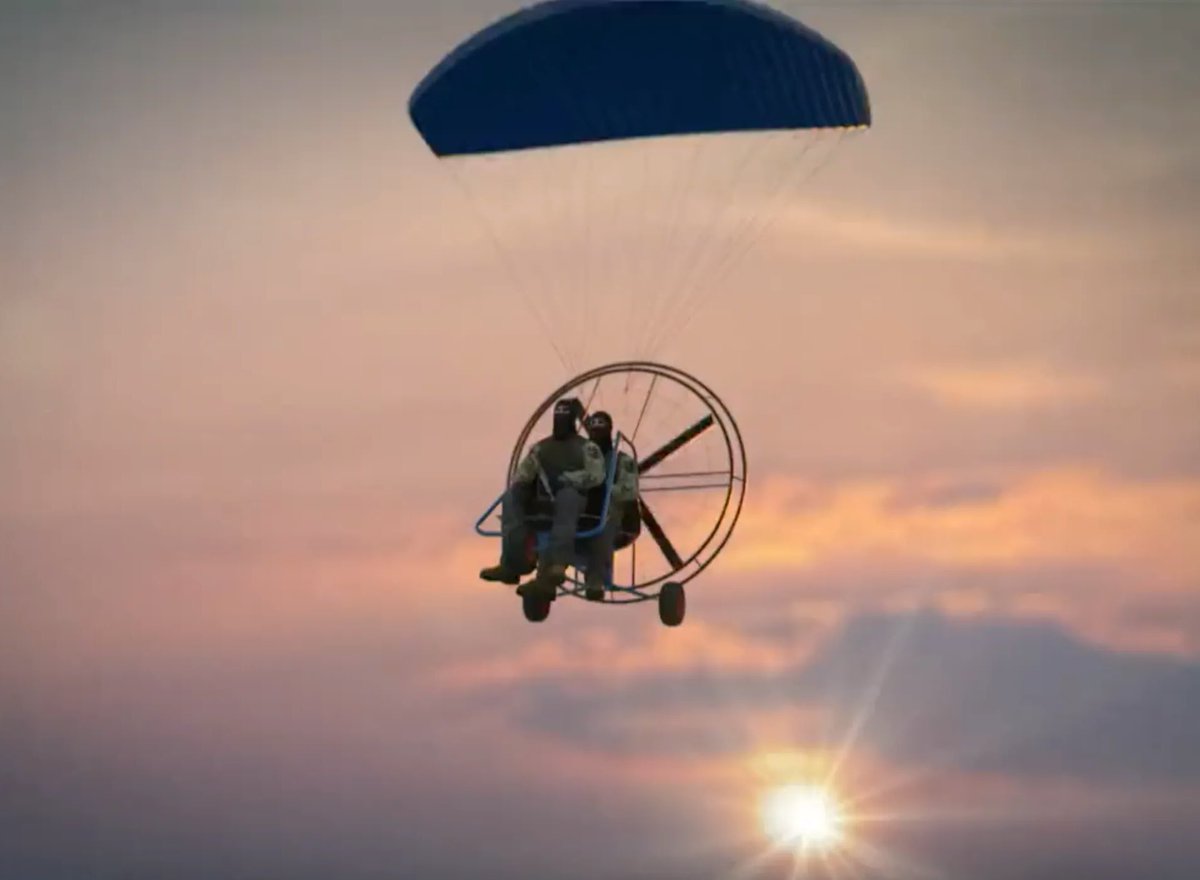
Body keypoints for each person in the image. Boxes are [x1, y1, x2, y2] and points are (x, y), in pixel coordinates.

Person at [479, 397, 606, 599]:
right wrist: (521, 486)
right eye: (558, 417)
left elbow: (597, 475)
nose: (560, 422)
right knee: (511, 498)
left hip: (577, 498)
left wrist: (569, 479)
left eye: (564, 417)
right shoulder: (541, 448)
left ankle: (557, 563)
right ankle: (513, 563)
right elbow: (525, 472)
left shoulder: (587, 448)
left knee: (567, 498)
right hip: (545, 499)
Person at [579, 410, 640, 601]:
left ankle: (595, 578)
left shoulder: (623, 461)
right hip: (582, 516)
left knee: (603, 524)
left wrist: (604, 488)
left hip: (617, 520)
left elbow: (629, 491)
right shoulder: (580, 460)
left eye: (600, 431)